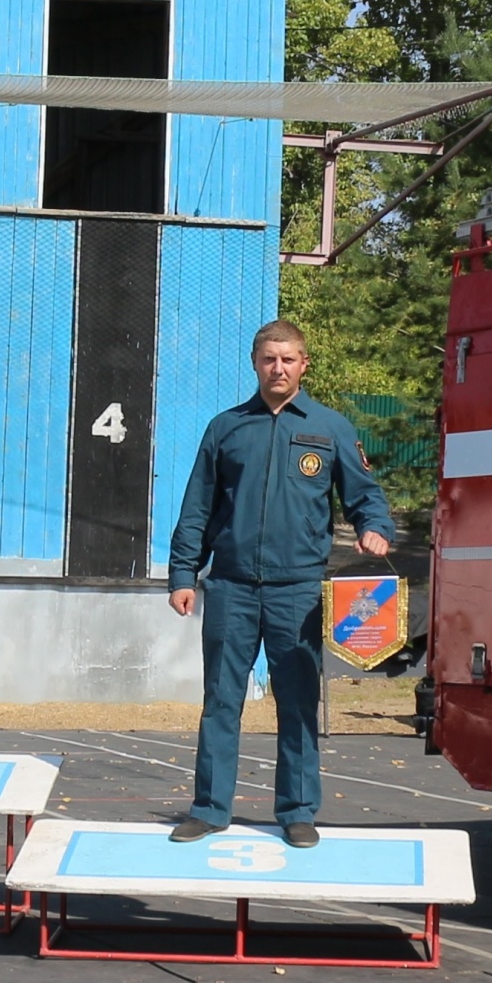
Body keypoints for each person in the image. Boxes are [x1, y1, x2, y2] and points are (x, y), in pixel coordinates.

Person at [166, 319, 392, 847]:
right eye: (270, 358)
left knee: (296, 702)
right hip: (232, 588)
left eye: (289, 359)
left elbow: (365, 496)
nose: (279, 368)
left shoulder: (330, 427)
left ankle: (296, 812)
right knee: (221, 700)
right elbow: (197, 507)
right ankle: (210, 808)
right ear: (255, 362)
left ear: (304, 364)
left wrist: (374, 530)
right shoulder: (226, 428)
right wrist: (183, 574)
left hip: (298, 592)